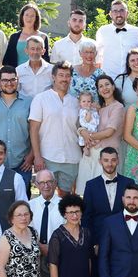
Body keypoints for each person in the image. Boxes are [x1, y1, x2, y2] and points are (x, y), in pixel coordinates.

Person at [81, 147, 135, 277]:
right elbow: (86, 217)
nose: (110, 163)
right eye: (106, 160)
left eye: (113, 160)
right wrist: (93, 243)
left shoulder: (128, 183)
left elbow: (133, 211)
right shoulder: (91, 185)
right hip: (99, 242)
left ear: (118, 160)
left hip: (123, 243)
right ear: (100, 162)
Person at [29, 62, 82, 196]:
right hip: (48, 157)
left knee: (66, 199)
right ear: (53, 77)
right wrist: (37, 157)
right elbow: (33, 130)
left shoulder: (76, 102)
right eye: (61, 75)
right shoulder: (40, 99)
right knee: (47, 197)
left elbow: (79, 129)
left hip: (72, 157)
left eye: (68, 76)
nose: (64, 79)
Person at [0, 66, 33, 194]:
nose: (9, 83)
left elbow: (35, 132)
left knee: (22, 205)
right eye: (5, 80)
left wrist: (31, 156)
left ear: (17, 80)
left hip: (22, 163)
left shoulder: (29, 102)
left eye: (12, 79)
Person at [76, 75, 126, 187]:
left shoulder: (118, 107)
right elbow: (85, 124)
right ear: (98, 91)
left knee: (106, 190)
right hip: (93, 153)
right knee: (89, 191)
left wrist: (86, 135)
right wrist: (81, 130)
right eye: (101, 86)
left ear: (113, 87)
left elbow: (109, 132)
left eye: (107, 84)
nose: (105, 88)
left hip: (108, 155)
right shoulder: (98, 108)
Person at [28, 170, 64, 277]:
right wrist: (40, 246)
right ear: (36, 185)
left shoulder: (64, 205)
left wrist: (53, 248)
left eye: (49, 182)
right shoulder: (30, 206)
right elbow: (26, 230)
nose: (46, 185)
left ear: (55, 183)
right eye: (42, 182)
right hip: (36, 253)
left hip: (60, 255)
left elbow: (68, 229)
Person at [96, 0, 138, 81]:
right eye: (115, 11)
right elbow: (97, 57)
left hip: (132, 80)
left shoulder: (136, 31)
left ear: (127, 13)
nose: (118, 14)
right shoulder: (102, 31)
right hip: (109, 80)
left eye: (122, 10)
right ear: (110, 14)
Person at [2, 2, 50, 67]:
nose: (29, 18)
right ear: (22, 17)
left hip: (37, 75)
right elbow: (8, 60)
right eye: (26, 15)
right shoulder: (14, 37)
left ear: (36, 18)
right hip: (18, 75)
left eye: (32, 16)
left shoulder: (43, 37)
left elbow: (46, 60)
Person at [77, 91, 99, 157]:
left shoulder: (92, 109)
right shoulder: (83, 111)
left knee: (96, 139)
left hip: (93, 127)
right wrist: (89, 112)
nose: (86, 103)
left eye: (88, 101)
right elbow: (87, 120)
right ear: (80, 103)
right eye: (84, 101)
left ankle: (88, 147)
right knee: (87, 139)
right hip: (87, 128)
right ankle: (85, 148)